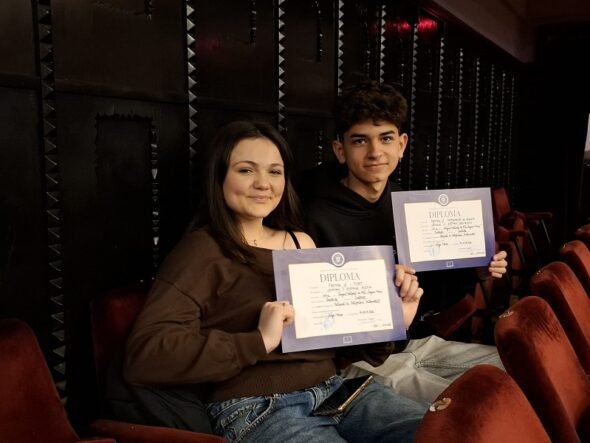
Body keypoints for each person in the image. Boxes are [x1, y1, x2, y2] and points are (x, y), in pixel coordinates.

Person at [123, 120, 426, 443]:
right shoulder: (201, 249)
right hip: (256, 406)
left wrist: (394, 319)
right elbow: (146, 354)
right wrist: (258, 340)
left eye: (274, 171)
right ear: (219, 177)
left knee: (442, 433)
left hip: (339, 391)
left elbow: (336, 347)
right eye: (245, 170)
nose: (263, 183)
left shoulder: (301, 242)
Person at [302, 79, 508, 403]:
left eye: (385, 138)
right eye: (360, 141)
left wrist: (478, 272)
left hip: (414, 342)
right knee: (469, 405)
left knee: (513, 367)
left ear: (402, 144)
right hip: (355, 359)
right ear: (340, 150)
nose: (375, 152)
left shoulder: (410, 205)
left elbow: (433, 291)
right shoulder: (312, 217)